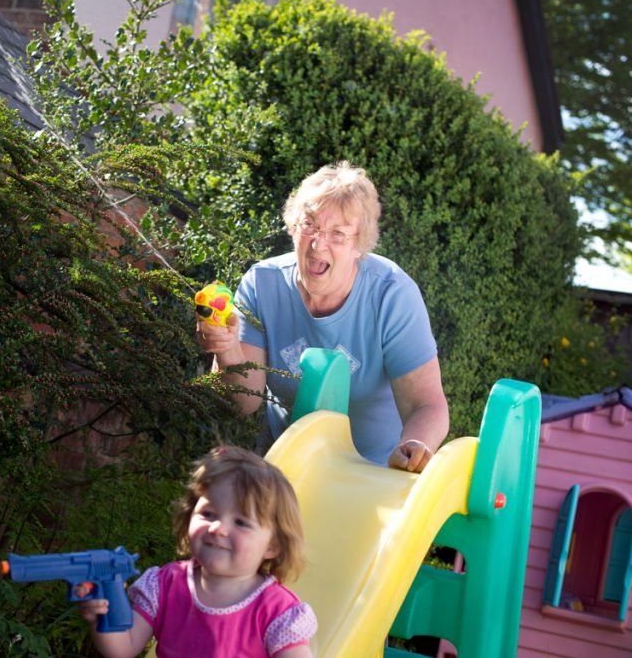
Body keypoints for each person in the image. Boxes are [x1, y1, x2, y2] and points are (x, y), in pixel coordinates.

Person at [197, 162, 449, 473]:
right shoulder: (262, 284)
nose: (318, 244)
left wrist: (412, 449)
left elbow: (428, 405)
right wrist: (226, 349)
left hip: (374, 472)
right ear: (293, 227)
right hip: (287, 467)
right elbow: (243, 403)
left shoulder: (392, 295)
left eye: (338, 234)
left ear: (359, 245)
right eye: (310, 226)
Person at [79, 446, 317, 658]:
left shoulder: (277, 612)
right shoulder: (165, 585)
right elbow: (123, 648)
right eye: (209, 514)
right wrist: (101, 617)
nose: (218, 528)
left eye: (241, 522)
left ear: (272, 546)